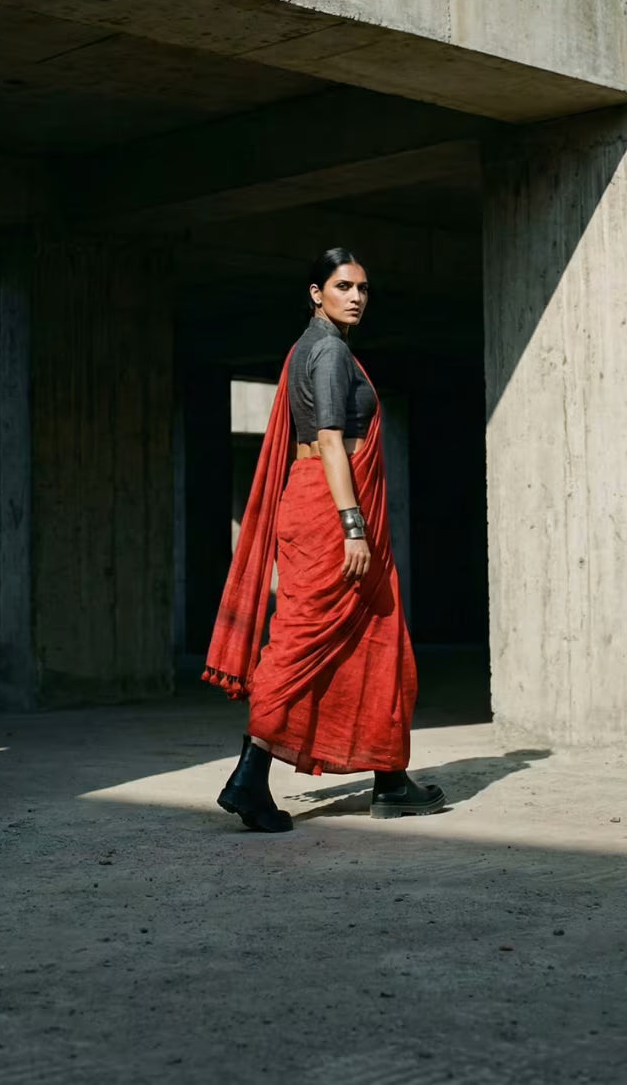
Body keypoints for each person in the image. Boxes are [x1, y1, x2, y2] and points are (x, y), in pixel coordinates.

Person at [203, 248, 445, 833]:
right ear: (316, 292)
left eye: (363, 287)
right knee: (300, 643)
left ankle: (389, 779)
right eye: (343, 286)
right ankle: (247, 780)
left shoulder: (308, 348)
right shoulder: (330, 351)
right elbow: (333, 441)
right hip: (329, 512)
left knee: (375, 639)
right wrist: (353, 525)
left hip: (313, 502)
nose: (356, 296)